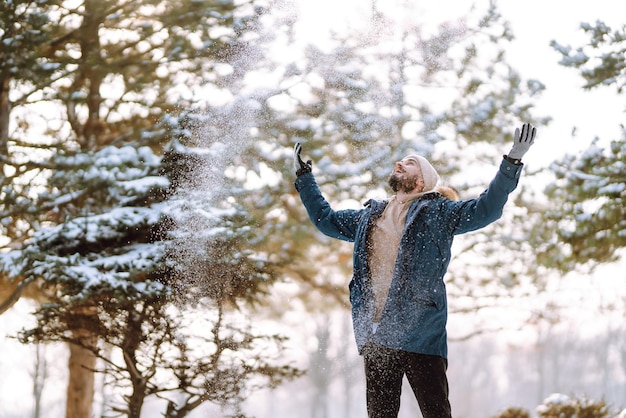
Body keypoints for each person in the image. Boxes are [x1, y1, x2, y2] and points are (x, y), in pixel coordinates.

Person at [292, 123, 537, 418]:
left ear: (421, 182)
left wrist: (511, 162)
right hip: (378, 335)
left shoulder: (439, 212)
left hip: (422, 332)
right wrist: (305, 179)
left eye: (409, 163)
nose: (400, 163)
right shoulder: (371, 216)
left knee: (436, 414)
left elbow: (487, 208)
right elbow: (326, 220)